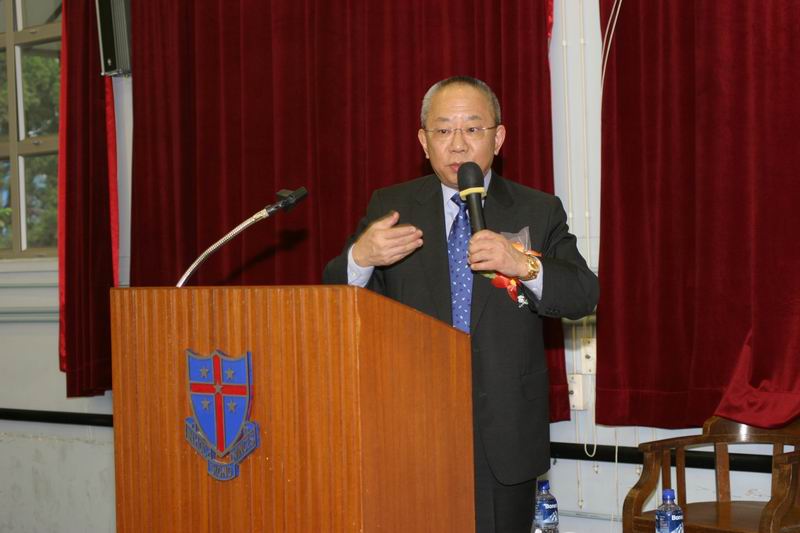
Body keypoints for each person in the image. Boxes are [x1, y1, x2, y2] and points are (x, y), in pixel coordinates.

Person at [323, 76, 598, 533]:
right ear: (423, 141)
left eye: (472, 129)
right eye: (443, 130)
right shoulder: (392, 207)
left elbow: (583, 294)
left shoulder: (537, 209)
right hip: (411, 426)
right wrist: (360, 258)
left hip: (505, 432)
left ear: (498, 138)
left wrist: (523, 265)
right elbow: (336, 305)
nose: (457, 144)